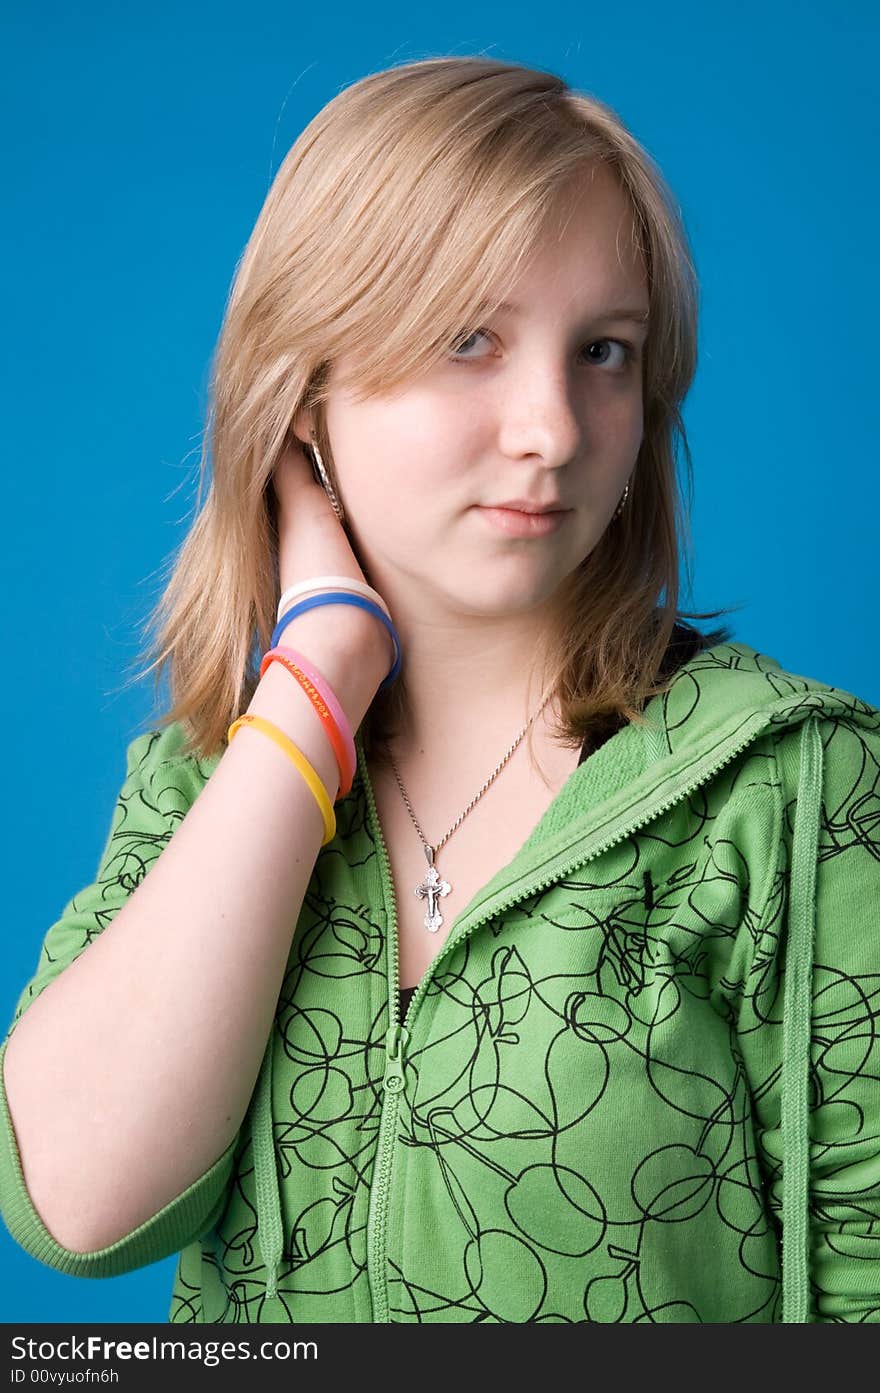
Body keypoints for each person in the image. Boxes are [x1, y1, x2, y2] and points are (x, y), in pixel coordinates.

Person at [1, 55, 878, 1327]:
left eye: (605, 352)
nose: (554, 428)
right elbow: (73, 1208)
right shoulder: (216, 781)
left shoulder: (793, 790)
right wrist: (312, 687)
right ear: (305, 395)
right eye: (468, 339)